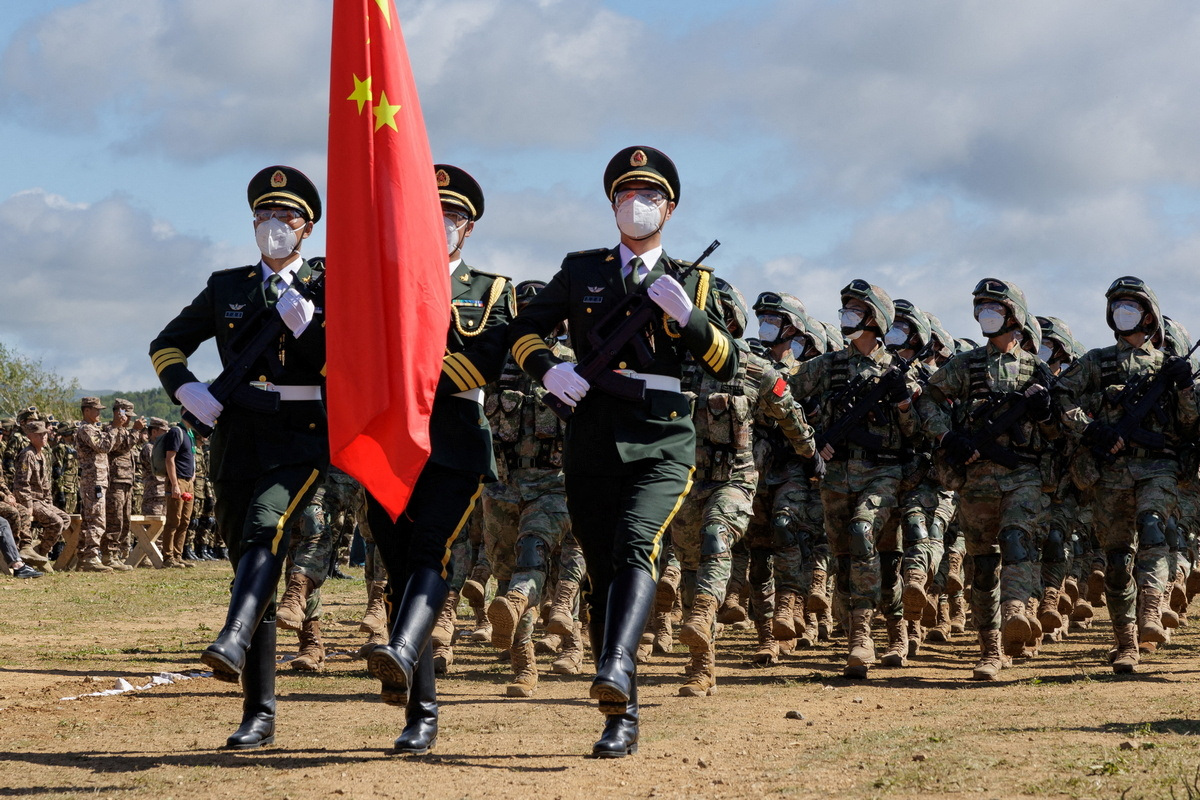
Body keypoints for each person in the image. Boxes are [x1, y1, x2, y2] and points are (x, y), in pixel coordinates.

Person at [507, 146, 738, 758]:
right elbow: (524, 330)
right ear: (611, 204)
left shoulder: (696, 280)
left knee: (637, 543)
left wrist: (688, 317)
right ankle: (621, 710)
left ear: (671, 207)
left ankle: (612, 663)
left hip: (662, 437)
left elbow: (727, 361)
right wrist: (548, 369)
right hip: (591, 435)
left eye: (650, 196)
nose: (637, 205)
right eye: (625, 195)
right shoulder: (582, 271)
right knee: (604, 568)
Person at [149, 165, 328, 749]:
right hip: (236, 437)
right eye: (264, 216)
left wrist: (314, 333)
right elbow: (167, 343)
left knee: (264, 530)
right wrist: (186, 388)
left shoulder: (331, 282)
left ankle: (231, 634)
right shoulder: (228, 286)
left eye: (286, 217)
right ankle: (261, 710)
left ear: (307, 229)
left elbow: (354, 364)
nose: (273, 226)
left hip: (301, 435)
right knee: (250, 565)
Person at [364, 165, 514, 755]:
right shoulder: (385, 285)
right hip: (387, 441)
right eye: (431, 215)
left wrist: (405, 376)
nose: (440, 225)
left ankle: (405, 664)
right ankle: (420, 710)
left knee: (431, 549)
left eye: (451, 217)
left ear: (468, 227)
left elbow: (481, 362)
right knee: (401, 566)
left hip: (453, 443)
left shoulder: (491, 290)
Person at [1052, 276, 1197, 673]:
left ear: (1148, 316)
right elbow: (1060, 396)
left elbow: (1190, 424)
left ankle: (1151, 612)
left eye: (1131, 305)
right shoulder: (1097, 362)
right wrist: (1090, 427)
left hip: (1158, 466)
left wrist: (1185, 388)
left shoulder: (1170, 366)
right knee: (1117, 561)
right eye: (1117, 306)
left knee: (1152, 529)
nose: (1123, 312)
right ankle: (1125, 642)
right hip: (1111, 471)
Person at [917, 278, 1059, 679]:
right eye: (981, 308)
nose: (986, 315)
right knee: (982, 566)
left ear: (1014, 316)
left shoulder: (1037, 369)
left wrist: (1045, 413)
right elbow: (928, 400)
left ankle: (1016, 612)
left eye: (994, 308)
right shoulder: (964, 367)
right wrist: (948, 436)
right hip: (976, 477)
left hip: (1022, 473)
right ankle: (990, 648)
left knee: (1017, 540)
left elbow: (1057, 433)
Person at [791, 280, 922, 678]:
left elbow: (916, 431)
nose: (847, 316)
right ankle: (860, 631)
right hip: (836, 475)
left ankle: (872, 636)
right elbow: (780, 396)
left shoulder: (899, 371)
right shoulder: (826, 366)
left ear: (875, 320)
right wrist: (811, 442)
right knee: (847, 559)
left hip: (883, 472)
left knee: (865, 535)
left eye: (856, 310)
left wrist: (902, 403)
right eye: (845, 309)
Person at [13, 418, 72, 571]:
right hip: (31, 500)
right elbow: (21, 484)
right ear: (30, 437)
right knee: (56, 522)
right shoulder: (28, 455)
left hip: (41, 500)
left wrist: (49, 502)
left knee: (65, 518)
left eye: (45, 434)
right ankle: (39, 554)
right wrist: (28, 505)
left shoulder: (42, 454)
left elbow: (45, 484)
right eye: (39, 435)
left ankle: (39, 552)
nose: (43, 437)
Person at [103, 399, 141, 570]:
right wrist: (135, 432)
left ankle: (116, 554)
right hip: (115, 481)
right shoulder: (108, 430)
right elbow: (120, 448)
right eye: (127, 416)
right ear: (119, 413)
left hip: (126, 481)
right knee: (114, 519)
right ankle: (108, 555)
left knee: (125, 520)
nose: (130, 420)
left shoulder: (125, 431)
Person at [160, 419, 196, 569]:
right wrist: (175, 484)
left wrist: (192, 477)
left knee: (185, 521)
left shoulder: (189, 434)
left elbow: (191, 458)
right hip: (178, 480)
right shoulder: (177, 432)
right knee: (174, 520)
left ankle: (177, 555)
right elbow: (170, 458)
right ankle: (168, 558)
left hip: (188, 482)